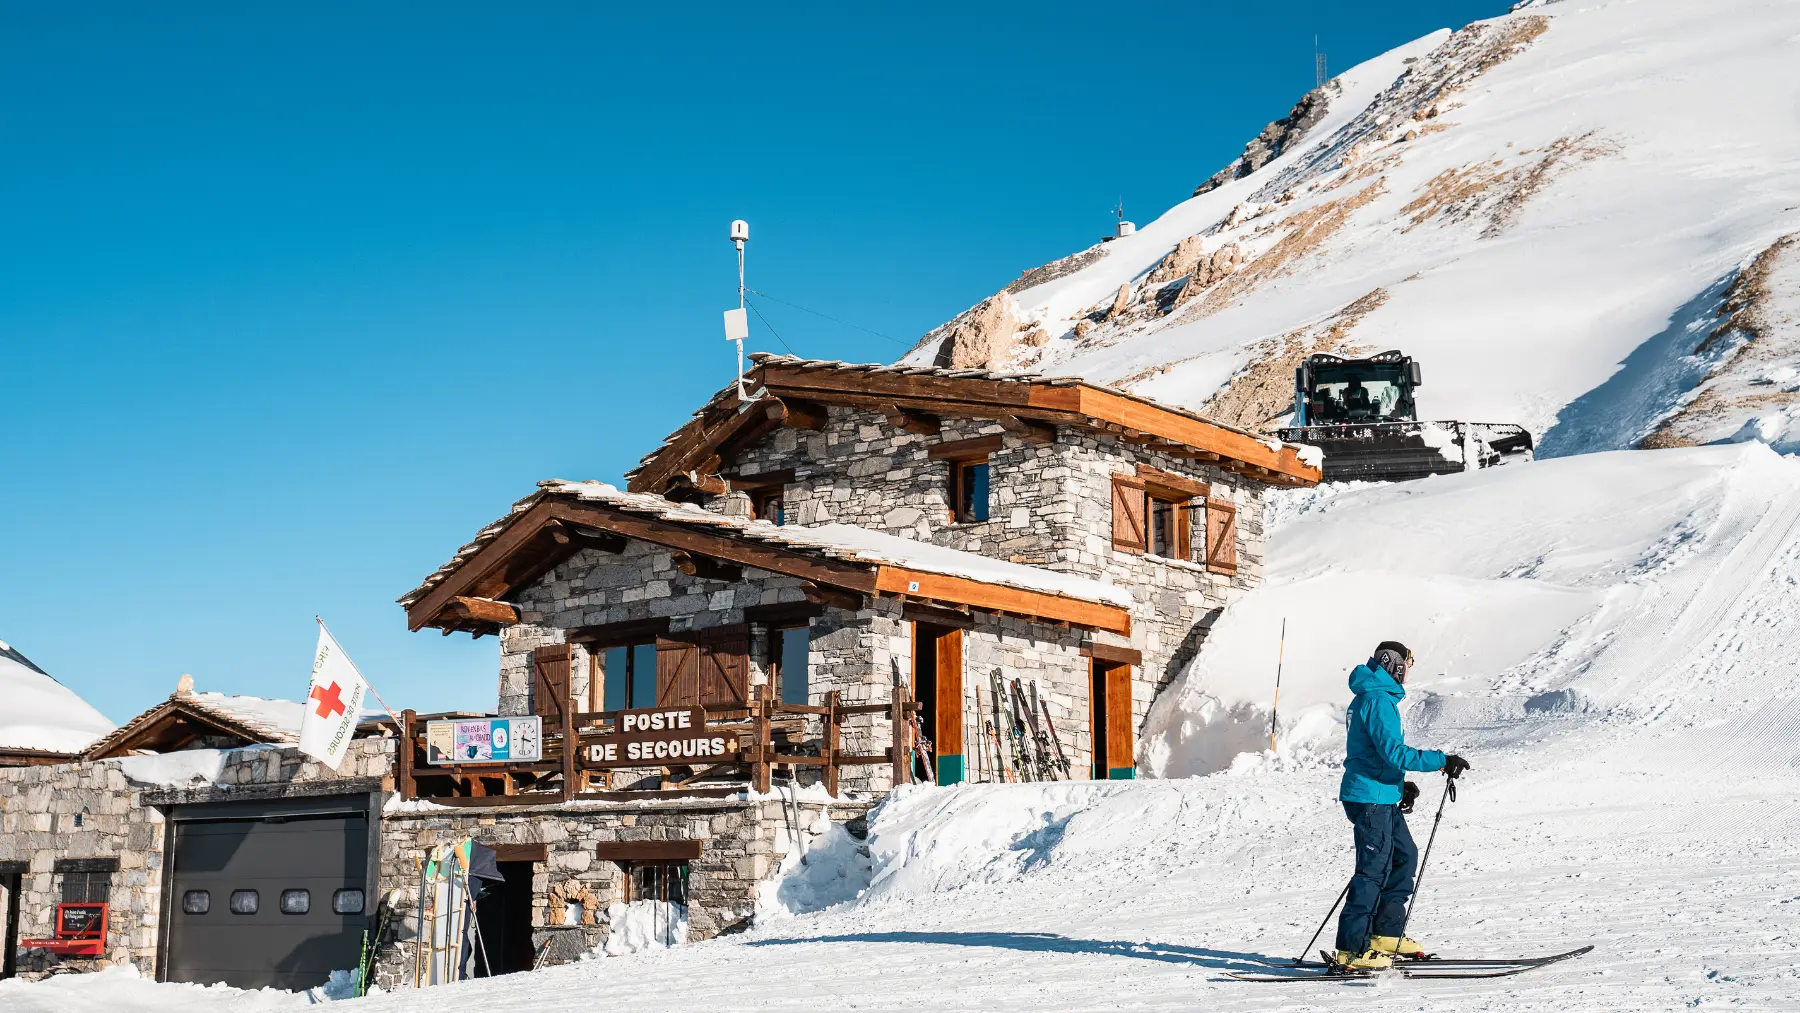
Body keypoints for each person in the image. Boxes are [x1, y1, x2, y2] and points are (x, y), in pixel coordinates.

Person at [1333, 641, 1470, 970]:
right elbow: (1393, 752)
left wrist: (1399, 784)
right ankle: (1351, 949)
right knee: (1372, 871)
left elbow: (1373, 752)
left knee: (1404, 856)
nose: (1409, 670)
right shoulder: (1378, 700)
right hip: (1370, 798)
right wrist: (1441, 761)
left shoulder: (1374, 696)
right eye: (1408, 663)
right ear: (1393, 665)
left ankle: (1385, 934)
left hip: (1380, 793)